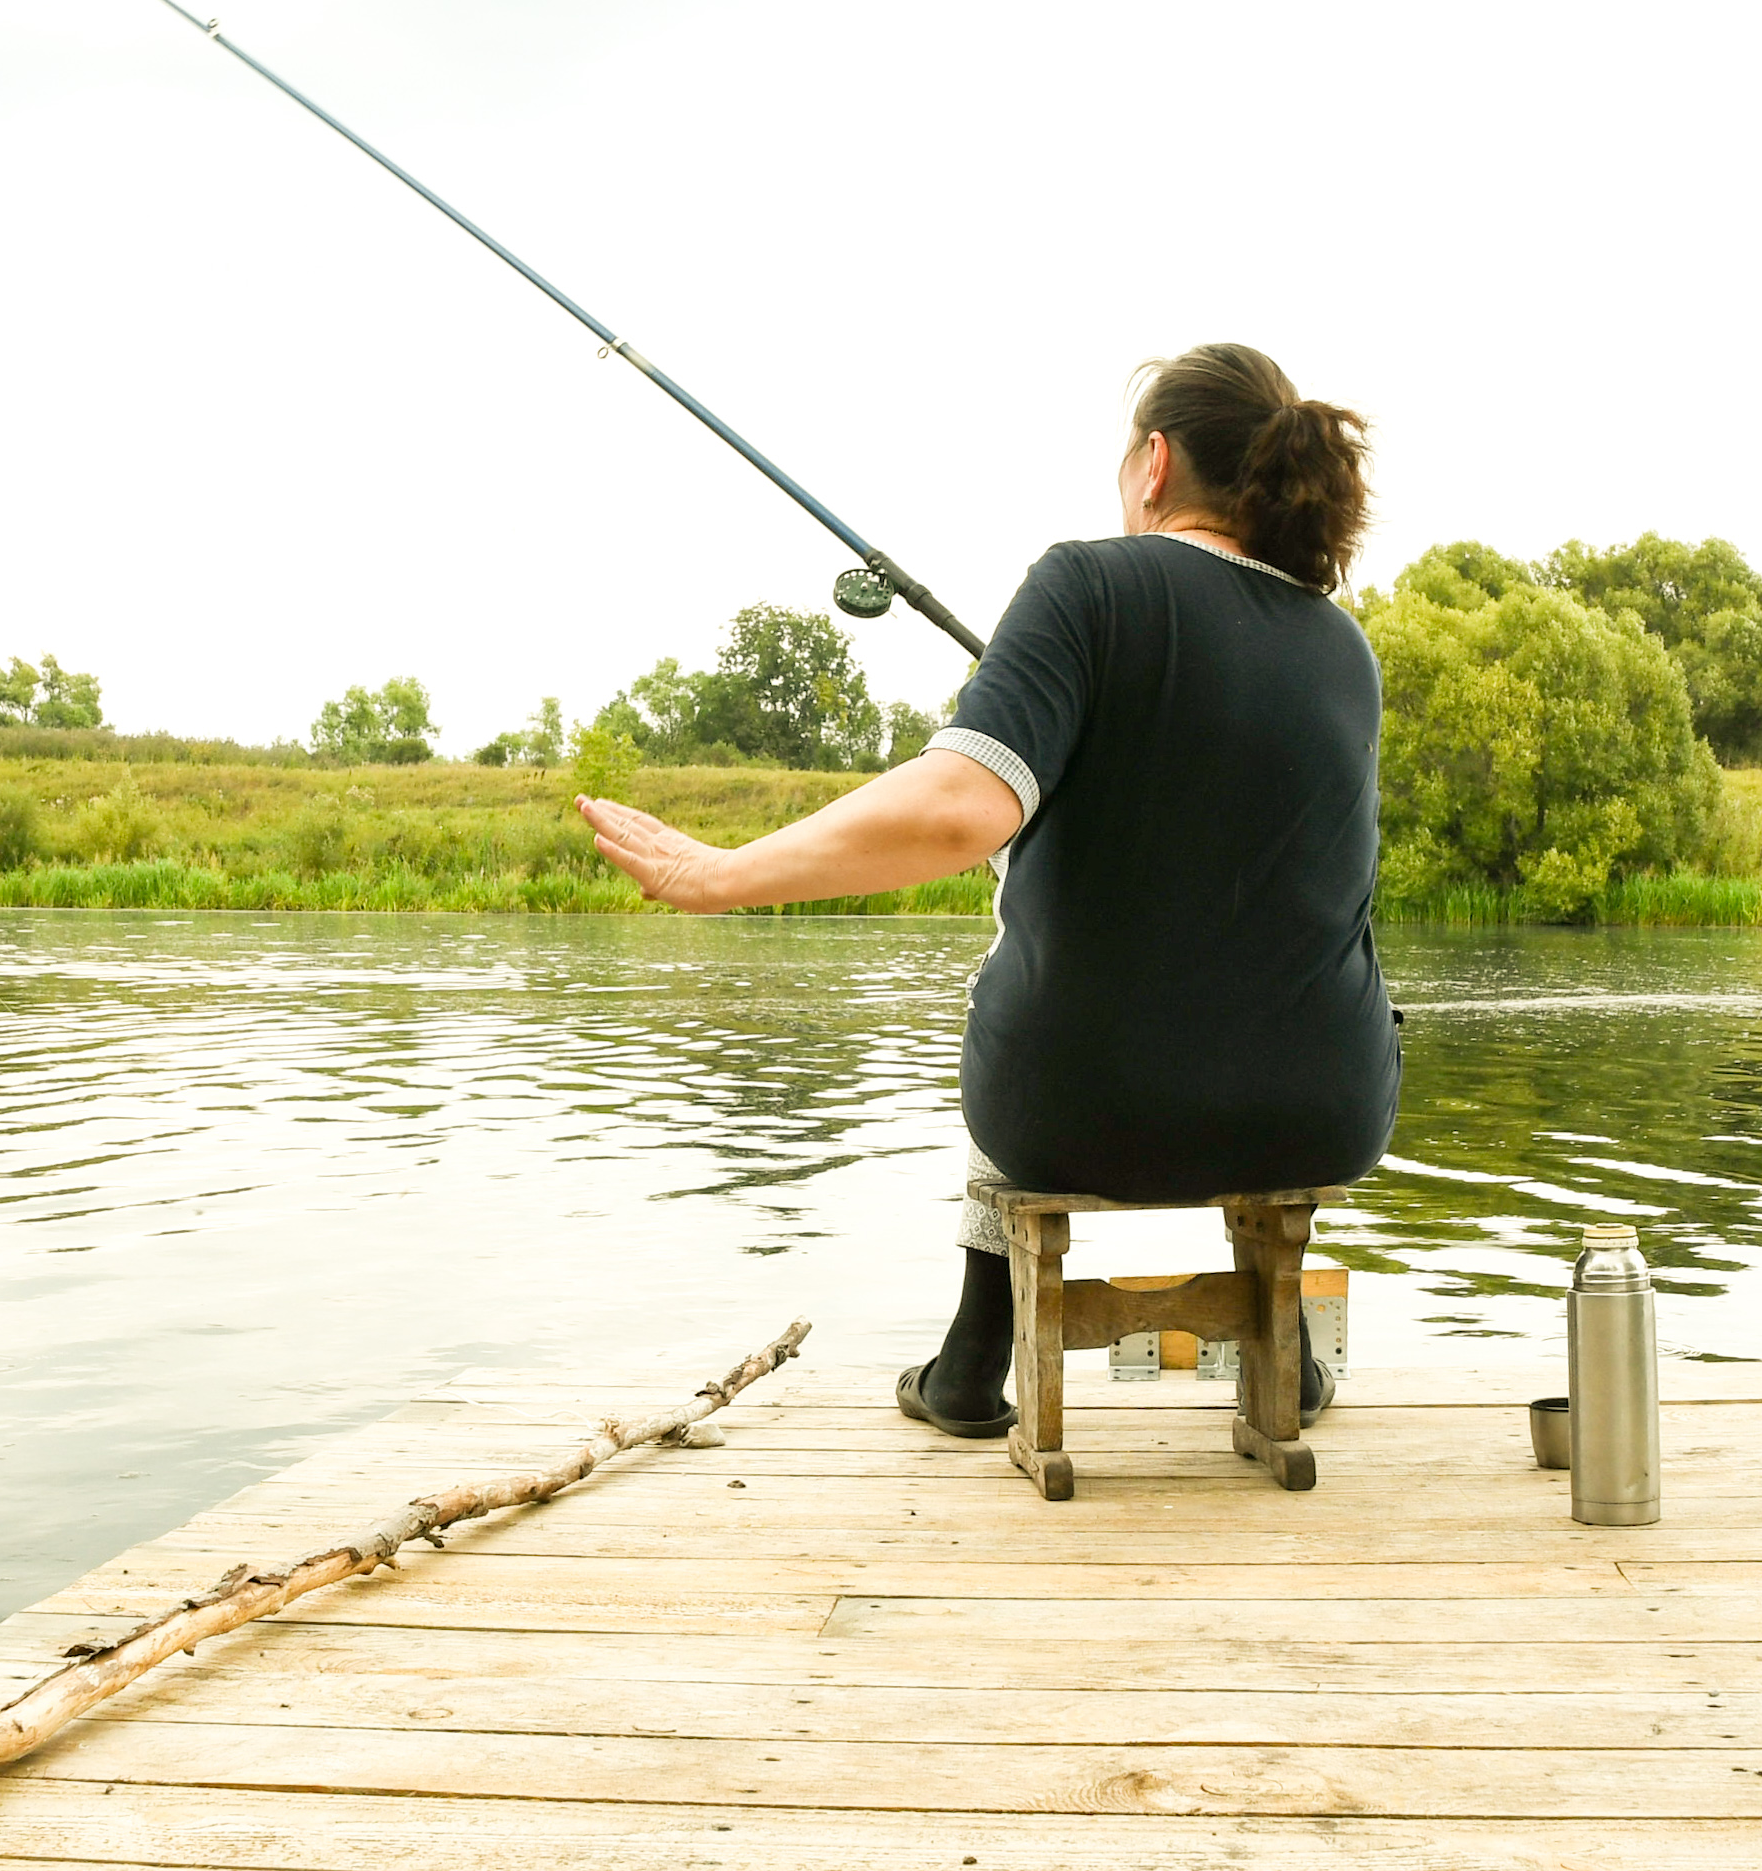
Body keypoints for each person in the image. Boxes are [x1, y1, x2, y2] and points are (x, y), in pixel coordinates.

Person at [578, 341, 1398, 1434]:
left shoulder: (1086, 584)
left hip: (1076, 1116)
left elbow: (964, 809)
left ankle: (974, 1361)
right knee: (1284, 964)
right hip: (1324, 1114)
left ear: (1153, 464)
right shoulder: (1346, 648)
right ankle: (1281, 1350)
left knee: (1010, 965)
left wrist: (724, 874)